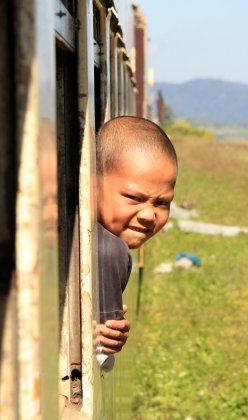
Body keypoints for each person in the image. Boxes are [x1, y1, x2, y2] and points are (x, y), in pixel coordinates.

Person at [95, 116, 178, 369]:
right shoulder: (108, 250)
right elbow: (102, 361)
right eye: (133, 197)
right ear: (90, 184)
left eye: (162, 203)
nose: (148, 216)